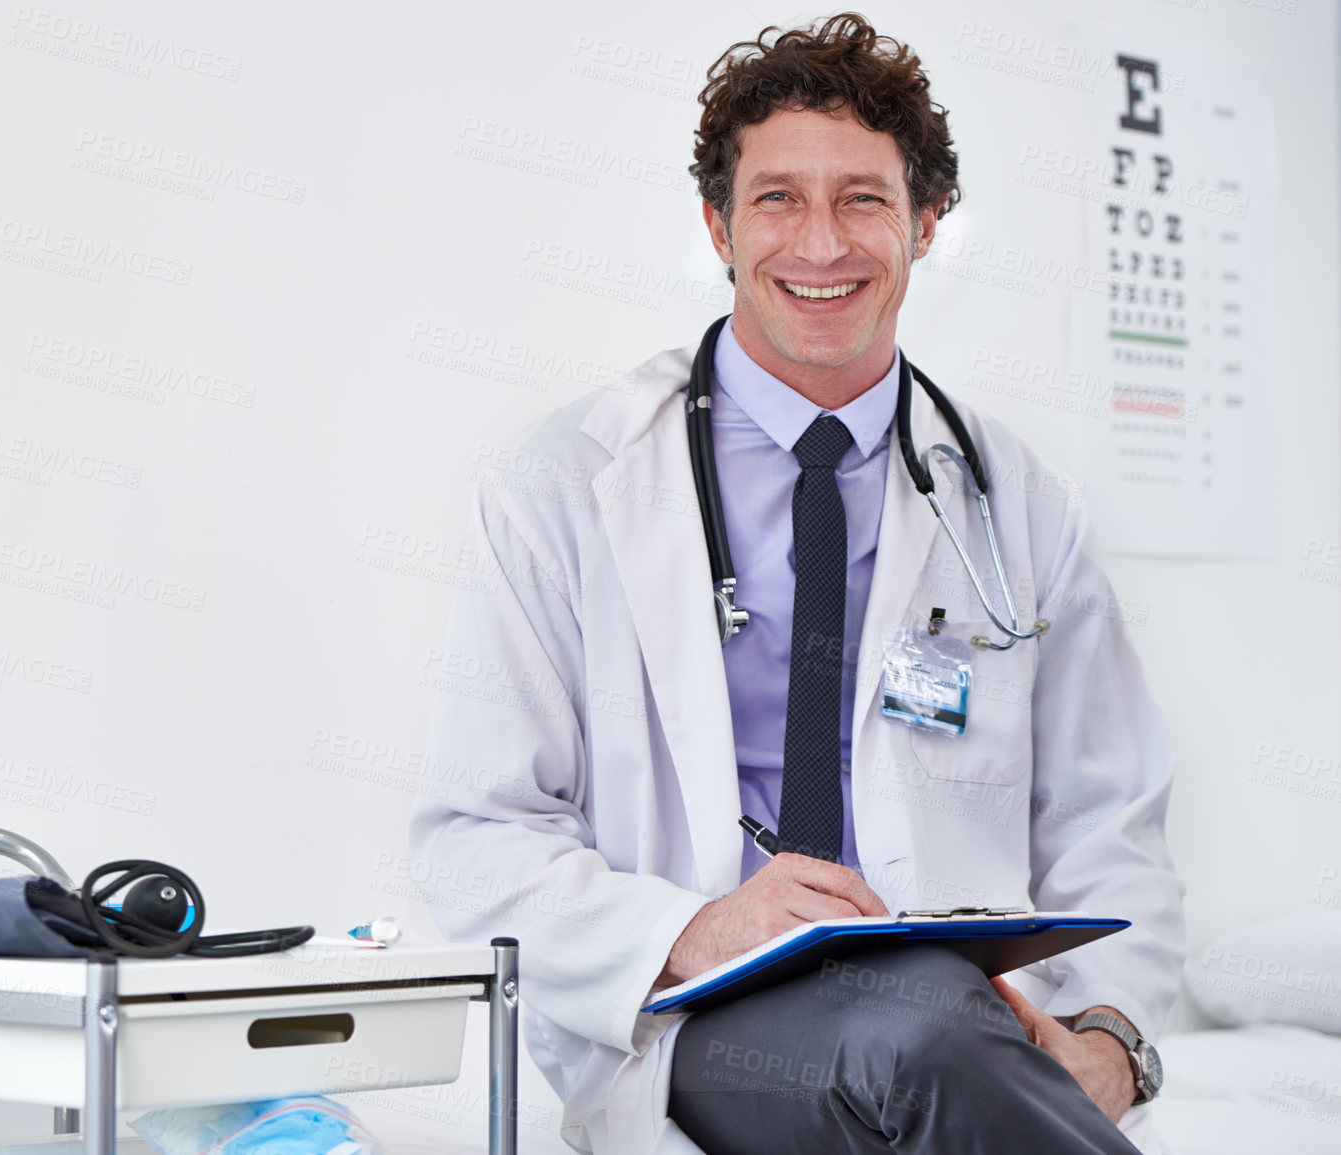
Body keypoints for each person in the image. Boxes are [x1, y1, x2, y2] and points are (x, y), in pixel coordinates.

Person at [408, 13, 1183, 1155]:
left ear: (927, 225)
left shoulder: (1020, 504)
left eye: (863, 199)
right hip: (703, 1013)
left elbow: (1109, 824)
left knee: (936, 1026)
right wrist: (696, 926)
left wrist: (1112, 1045)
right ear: (719, 227)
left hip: (971, 1009)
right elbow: (476, 834)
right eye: (777, 200)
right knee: (922, 1039)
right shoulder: (565, 484)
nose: (821, 245)